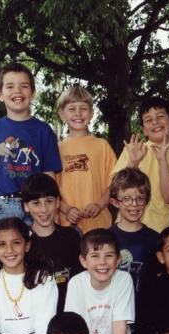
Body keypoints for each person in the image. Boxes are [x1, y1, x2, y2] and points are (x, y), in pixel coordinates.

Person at [0, 62, 63, 241]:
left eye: (24, 86)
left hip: (37, 205)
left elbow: (48, 176)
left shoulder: (43, 130)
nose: (17, 91)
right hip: (1, 206)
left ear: (32, 93)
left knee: (39, 255)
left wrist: (54, 212)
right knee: (7, 256)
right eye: (10, 86)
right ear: (0, 94)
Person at [110, 96, 169, 232]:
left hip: (160, 231)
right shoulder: (133, 151)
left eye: (160, 116)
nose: (155, 122)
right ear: (144, 129)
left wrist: (162, 160)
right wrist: (133, 161)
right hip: (126, 228)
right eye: (149, 120)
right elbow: (117, 190)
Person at [56, 85, 116, 233]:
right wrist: (67, 209)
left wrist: (100, 205)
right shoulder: (56, 149)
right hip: (66, 225)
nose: (78, 113)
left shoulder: (102, 146)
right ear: (62, 114)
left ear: (91, 114)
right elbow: (51, 189)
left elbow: (114, 184)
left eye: (83, 108)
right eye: (71, 109)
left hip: (99, 225)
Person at [21, 173, 83, 314]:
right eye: (36, 203)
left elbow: (80, 281)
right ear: (26, 206)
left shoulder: (71, 236)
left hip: (67, 313)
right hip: (32, 315)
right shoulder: (22, 240)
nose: (44, 209)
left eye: (49, 201)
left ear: (58, 202)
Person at [107, 167, 161, 293]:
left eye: (140, 198)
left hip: (145, 309)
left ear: (147, 201)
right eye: (126, 198)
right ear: (114, 202)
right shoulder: (106, 238)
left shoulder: (155, 239)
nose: (134, 204)